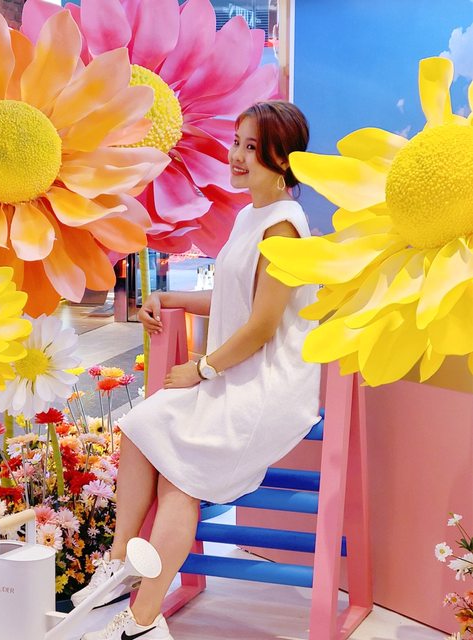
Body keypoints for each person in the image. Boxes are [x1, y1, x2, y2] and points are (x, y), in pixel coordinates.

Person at [77, 100, 321, 640]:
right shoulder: (251, 215)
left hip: (267, 384)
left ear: (284, 160)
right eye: (236, 142)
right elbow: (233, 300)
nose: (236, 156)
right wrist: (167, 297)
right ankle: (119, 567)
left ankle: (143, 620)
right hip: (237, 371)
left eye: (252, 147)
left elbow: (262, 327)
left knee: (179, 475)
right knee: (139, 426)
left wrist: (203, 369)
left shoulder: (283, 230)